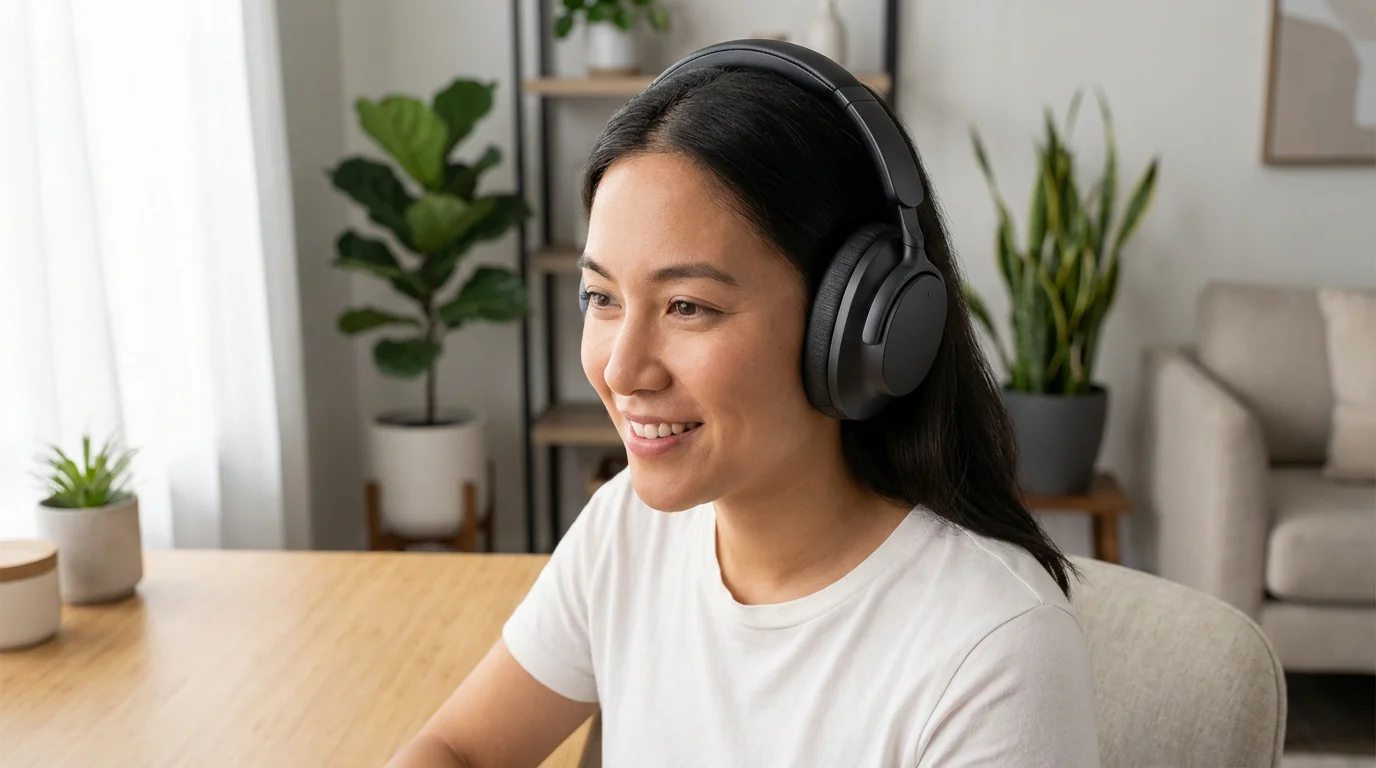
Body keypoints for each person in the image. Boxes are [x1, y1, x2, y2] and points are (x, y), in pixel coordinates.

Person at [388, 41, 1100, 768]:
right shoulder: (627, 529)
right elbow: (455, 749)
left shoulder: (994, 651)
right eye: (601, 297)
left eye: (687, 306)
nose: (622, 369)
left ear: (854, 328)